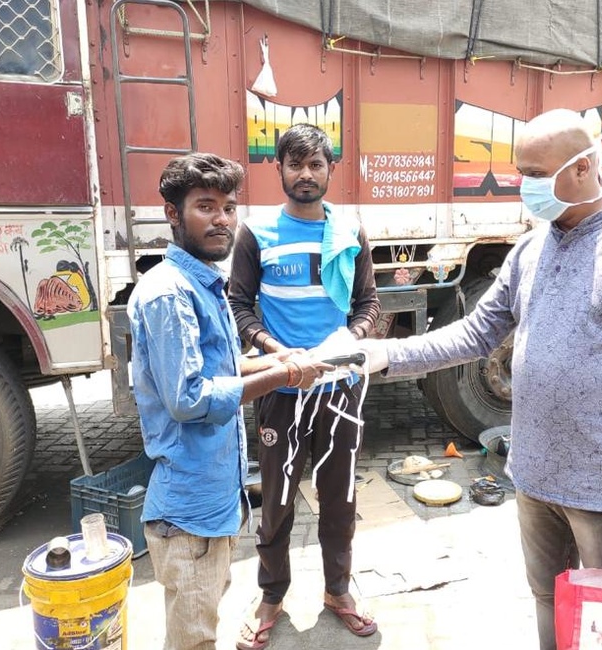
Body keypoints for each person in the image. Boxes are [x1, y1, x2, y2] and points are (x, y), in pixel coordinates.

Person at [356, 109, 602, 649]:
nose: (525, 187)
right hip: (535, 476)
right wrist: (385, 355)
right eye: (522, 172)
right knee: (549, 600)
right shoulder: (531, 250)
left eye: (537, 174)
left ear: (585, 167)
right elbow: (475, 335)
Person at [127, 153, 333, 650]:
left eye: (228, 207)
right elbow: (191, 398)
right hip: (188, 513)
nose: (222, 220)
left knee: (202, 619)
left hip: (213, 502)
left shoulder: (203, 280)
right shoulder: (169, 293)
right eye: (205, 207)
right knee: (194, 639)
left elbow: (216, 369)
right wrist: (285, 374)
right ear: (173, 215)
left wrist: (280, 360)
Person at [228, 124, 381, 649]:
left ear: (330, 170)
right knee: (277, 500)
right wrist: (278, 353)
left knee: (339, 498)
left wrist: (344, 341)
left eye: (316, 165)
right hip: (280, 388)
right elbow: (239, 304)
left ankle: (338, 592)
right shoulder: (256, 233)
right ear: (279, 170)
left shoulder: (349, 232)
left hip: (340, 389)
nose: (306, 175)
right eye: (295, 165)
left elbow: (368, 306)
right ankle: (271, 596)